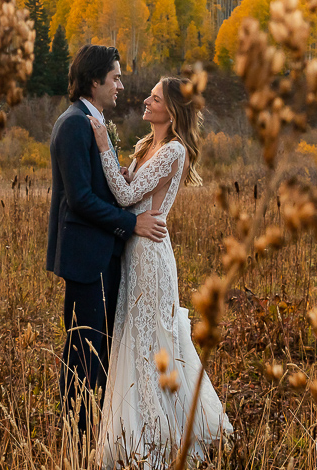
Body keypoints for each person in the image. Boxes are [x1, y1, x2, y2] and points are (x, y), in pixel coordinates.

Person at [89, 76, 233, 468]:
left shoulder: (174, 151)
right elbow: (125, 190)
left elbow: (124, 194)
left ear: (171, 110)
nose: (146, 102)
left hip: (151, 258)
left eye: (154, 98)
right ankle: (134, 438)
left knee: (150, 346)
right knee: (133, 340)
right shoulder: (146, 146)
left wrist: (104, 146)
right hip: (132, 253)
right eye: (150, 97)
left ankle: (154, 444)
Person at [45, 46, 169, 453]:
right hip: (88, 259)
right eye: (114, 78)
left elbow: (109, 187)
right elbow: (79, 198)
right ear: (94, 81)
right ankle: (75, 443)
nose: (120, 85)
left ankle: (95, 438)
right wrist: (133, 223)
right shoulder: (74, 126)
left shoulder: (93, 122)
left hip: (103, 256)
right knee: (85, 355)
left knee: (99, 354)